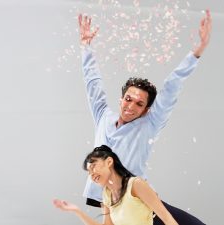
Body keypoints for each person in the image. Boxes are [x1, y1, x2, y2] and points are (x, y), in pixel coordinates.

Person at [78, 9, 211, 224]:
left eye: (139, 104)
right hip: (110, 199)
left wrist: (195, 53)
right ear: (121, 99)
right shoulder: (103, 117)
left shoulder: (148, 124)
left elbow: (170, 89)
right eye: (128, 99)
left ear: (146, 110)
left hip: (138, 201)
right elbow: (93, 84)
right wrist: (86, 47)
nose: (131, 106)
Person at [54, 145, 194, 225]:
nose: (92, 174)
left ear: (109, 162)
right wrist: (77, 211)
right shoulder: (107, 196)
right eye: (88, 172)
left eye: (94, 166)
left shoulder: (136, 185)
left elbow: (167, 218)